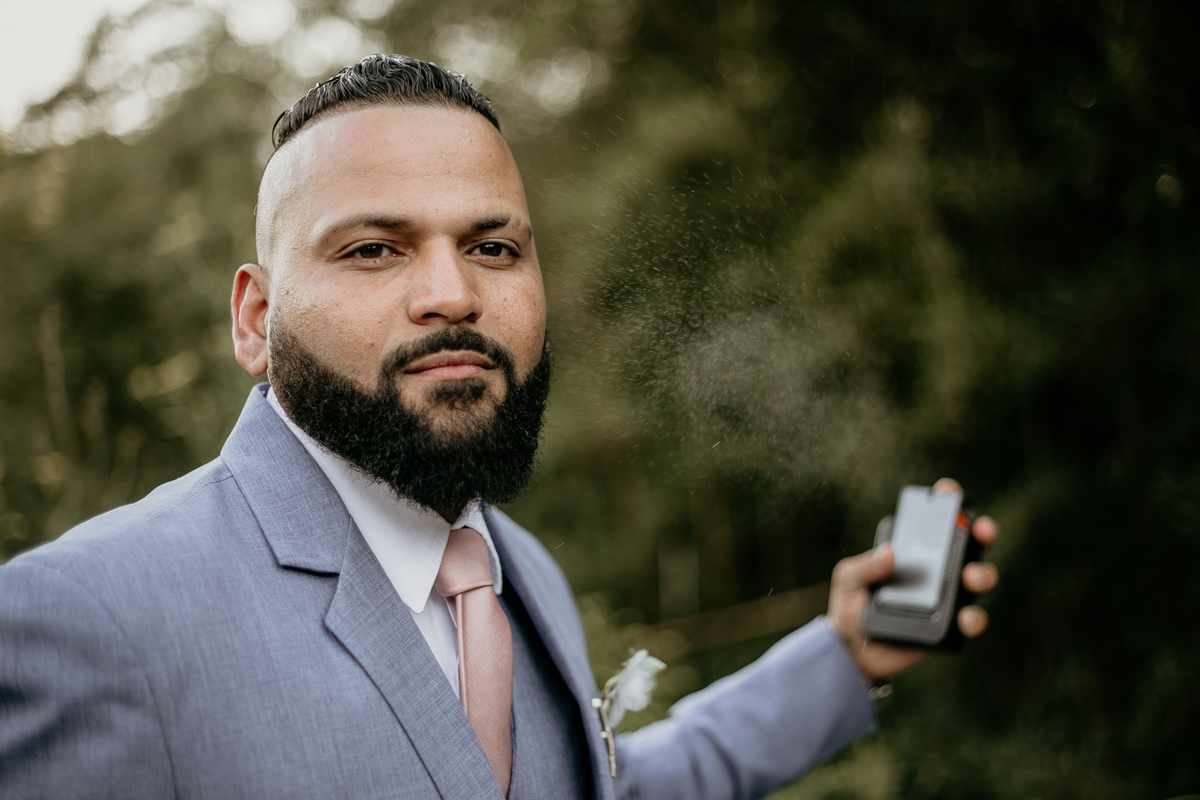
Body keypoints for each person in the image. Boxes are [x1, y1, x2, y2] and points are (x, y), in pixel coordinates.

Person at [0, 55, 1000, 799]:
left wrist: (844, 654)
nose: (453, 292)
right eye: (374, 249)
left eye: (493, 247)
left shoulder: (521, 574)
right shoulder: (83, 620)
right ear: (257, 320)